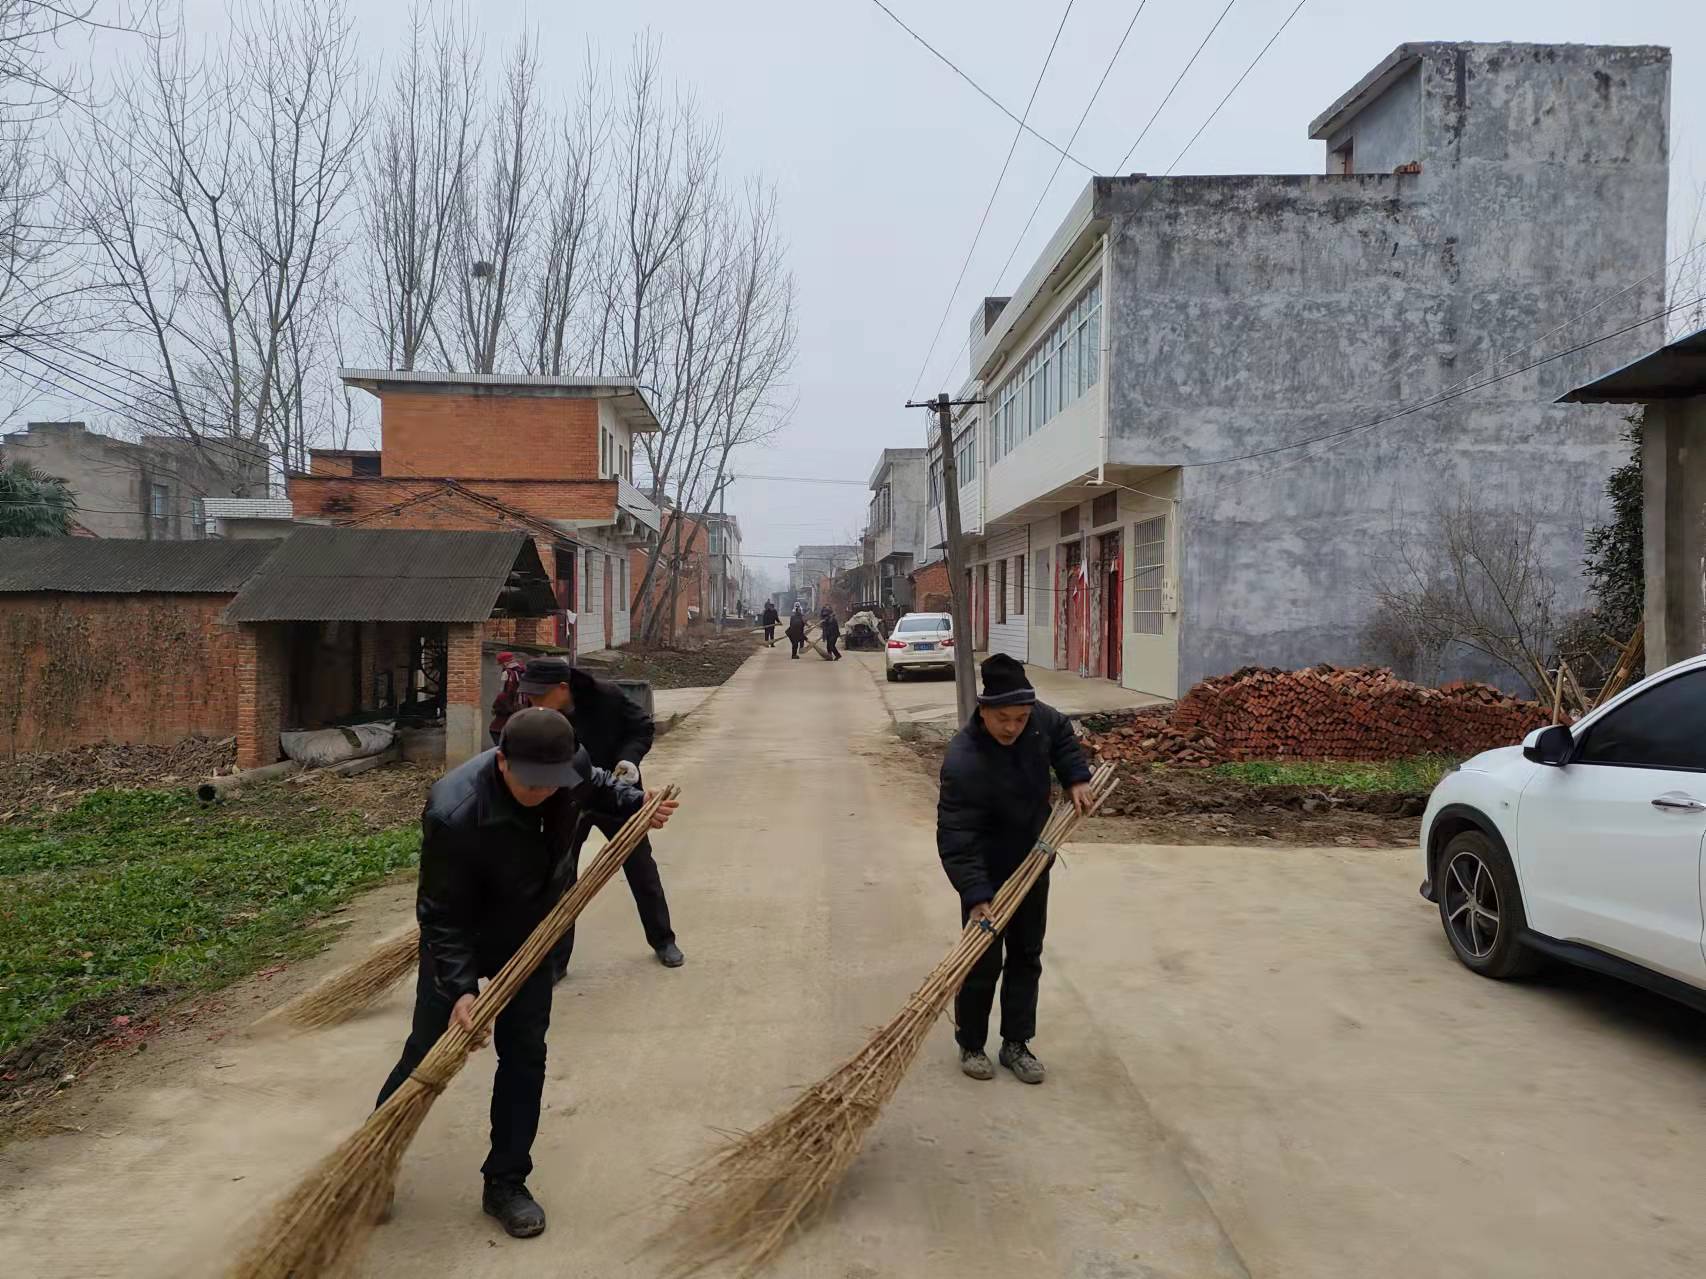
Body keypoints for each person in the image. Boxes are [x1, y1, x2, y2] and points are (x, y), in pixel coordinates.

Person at [374, 708, 678, 1238]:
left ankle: (506, 1182)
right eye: (530, 781)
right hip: (465, 937)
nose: (542, 792)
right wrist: (461, 990)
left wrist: (639, 805)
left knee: (525, 1058)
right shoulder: (454, 810)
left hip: (533, 936)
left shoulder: (571, 769)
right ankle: (372, 1168)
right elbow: (441, 916)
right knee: (424, 1053)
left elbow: (603, 787)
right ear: (501, 761)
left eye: (551, 782)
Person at [936, 654, 1090, 1086]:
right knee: (981, 960)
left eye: (1020, 719)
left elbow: (1061, 734)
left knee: (1027, 955)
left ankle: (1016, 1043)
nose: (1013, 727)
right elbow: (955, 833)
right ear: (983, 710)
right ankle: (971, 1042)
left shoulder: (1038, 719)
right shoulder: (964, 760)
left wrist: (1076, 777)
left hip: (1033, 859)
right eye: (1003, 718)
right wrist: (974, 892)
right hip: (986, 869)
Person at [515, 657, 685, 973]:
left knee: (641, 869)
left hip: (615, 795)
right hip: (565, 802)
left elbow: (642, 728)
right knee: (561, 877)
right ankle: (556, 960)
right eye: (529, 696)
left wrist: (628, 762)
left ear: (562, 688)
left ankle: (663, 940)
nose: (532, 703)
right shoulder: (536, 717)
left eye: (539, 696)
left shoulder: (606, 697)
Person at [487, 651, 525, 748]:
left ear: (504, 663)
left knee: (495, 730)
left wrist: (496, 706)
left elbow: (504, 693)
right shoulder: (522, 671)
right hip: (521, 707)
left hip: (507, 709)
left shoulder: (507, 673)